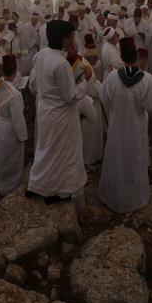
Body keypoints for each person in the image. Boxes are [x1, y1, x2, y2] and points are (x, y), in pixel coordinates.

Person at [26, 19, 92, 206]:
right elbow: (71, 96)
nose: (73, 40)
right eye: (70, 36)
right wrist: (84, 79)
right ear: (61, 39)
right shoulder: (61, 63)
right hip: (61, 115)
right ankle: (58, 190)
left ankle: (37, 184)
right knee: (62, 153)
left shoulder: (41, 55)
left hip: (46, 110)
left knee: (45, 149)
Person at [99, 37, 152, 213]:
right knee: (134, 161)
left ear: (122, 58)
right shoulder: (147, 80)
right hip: (136, 130)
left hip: (117, 128)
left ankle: (114, 196)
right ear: (137, 58)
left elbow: (103, 98)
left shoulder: (112, 77)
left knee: (116, 160)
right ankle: (133, 199)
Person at [0, 54, 28, 197]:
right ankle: (10, 190)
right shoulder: (15, 94)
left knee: (0, 158)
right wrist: (23, 137)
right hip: (11, 129)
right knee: (12, 161)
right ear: (15, 71)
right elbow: (18, 120)